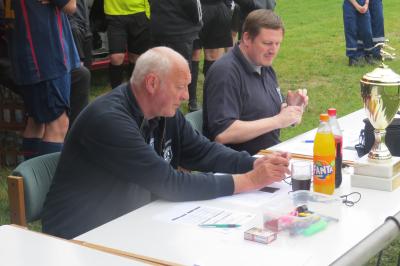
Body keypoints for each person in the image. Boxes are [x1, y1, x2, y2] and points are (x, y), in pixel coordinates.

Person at [42, 46, 290, 239]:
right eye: (180, 87)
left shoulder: (163, 112)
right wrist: (249, 180)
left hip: (130, 223)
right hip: (80, 237)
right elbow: (169, 183)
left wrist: (255, 163)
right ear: (152, 83)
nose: (185, 96)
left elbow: (203, 151)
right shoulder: (109, 121)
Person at [203, 9, 308, 156]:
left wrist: (291, 109)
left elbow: (262, 111)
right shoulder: (226, 72)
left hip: (268, 158)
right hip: (237, 168)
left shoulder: (264, 66)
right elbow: (223, 133)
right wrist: (278, 120)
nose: (273, 50)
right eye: (267, 43)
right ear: (246, 38)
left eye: (278, 43)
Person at [9, 0, 80, 160]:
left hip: (26, 48)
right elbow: (70, 6)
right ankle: (45, 183)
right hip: (46, 52)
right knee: (57, 124)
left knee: (36, 121)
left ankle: (30, 181)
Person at [189, 0, 233, 112]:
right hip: (195, 9)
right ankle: (192, 100)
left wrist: (227, 7)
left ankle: (210, 98)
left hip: (218, 10)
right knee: (195, 53)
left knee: (213, 56)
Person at [104, 0, 151, 88]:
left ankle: (134, 92)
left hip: (140, 12)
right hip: (114, 13)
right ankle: (115, 95)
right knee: (116, 57)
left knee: (136, 59)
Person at [343, 0, 376, 66]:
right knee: (351, 30)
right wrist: (357, 5)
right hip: (350, 5)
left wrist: (366, 4)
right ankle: (352, 58)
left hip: (363, 5)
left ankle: (368, 55)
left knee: (367, 31)